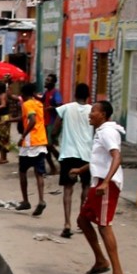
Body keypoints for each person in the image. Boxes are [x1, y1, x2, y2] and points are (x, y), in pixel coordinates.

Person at [73, 100, 126, 274]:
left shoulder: (108, 132)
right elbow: (100, 160)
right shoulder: (101, 132)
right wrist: (82, 169)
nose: (90, 114)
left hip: (106, 185)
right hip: (100, 183)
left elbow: (116, 157)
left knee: (104, 226)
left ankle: (118, 273)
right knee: (82, 220)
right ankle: (101, 260)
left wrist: (105, 182)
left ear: (102, 114)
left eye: (93, 111)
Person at [53, 83, 93, 238]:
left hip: (68, 153)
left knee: (68, 189)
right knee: (86, 187)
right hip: (86, 155)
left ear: (75, 94)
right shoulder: (92, 110)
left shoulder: (66, 108)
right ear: (88, 95)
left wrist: (54, 138)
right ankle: (82, 219)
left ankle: (67, 223)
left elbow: (56, 128)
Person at [16, 82, 47, 216]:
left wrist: (23, 136)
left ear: (23, 94)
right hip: (41, 141)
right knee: (38, 173)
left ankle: (25, 200)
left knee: (22, 171)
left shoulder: (27, 104)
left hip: (29, 143)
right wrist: (11, 120)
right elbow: (30, 117)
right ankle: (41, 199)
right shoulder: (38, 104)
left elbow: (32, 120)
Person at [42, 73, 62, 175]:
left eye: (48, 80)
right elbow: (41, 100)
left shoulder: (55, 93)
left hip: (52, 123)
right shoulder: (46, 93)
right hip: (45, 122)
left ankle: (61, 164)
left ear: (53, 82)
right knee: (45, 147)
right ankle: (53, 167)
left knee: (48, 145)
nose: (46, 81)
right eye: (46, 79)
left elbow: (60, 107)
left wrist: (52, 108)